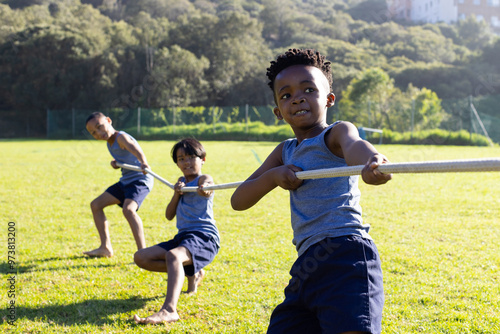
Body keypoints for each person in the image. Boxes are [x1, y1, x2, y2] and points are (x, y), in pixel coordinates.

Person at [231, 49, 392, 334]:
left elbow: (356, 146)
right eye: (286, 95)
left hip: (346, 254)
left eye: (308, 89)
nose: (297, 98)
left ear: (329, 99)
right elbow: (239, 200)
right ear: (278, 113)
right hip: (306, 265)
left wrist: (373, 161)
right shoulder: (284, 151)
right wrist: (273, 176)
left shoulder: (336, 134)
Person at [133, 138, 220, 325]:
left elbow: (207, 189)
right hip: (183, 237)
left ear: (202, 158)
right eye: (181, 159)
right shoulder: (180, 183)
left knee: (173, 256)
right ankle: (191, 272)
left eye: (190, 157)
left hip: (204, 237)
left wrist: (203, 189)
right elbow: (169, 215)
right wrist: (176, 193)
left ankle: (169, 310)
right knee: (141, 257)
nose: (186, 162)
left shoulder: (204, 179)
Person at [84, 112, 154, 257]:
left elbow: (135, 149)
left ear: (109, 121)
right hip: (126, 181)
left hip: (140, 180)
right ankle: (105, 248)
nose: (98, 133)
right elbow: (125, 158)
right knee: (96, 205)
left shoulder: (121, 137)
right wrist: (117, 164)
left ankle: (143, 253)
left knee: (128, 210)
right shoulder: (109, 142)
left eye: (100, 127)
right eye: (93, 132)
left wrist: (143, 162)